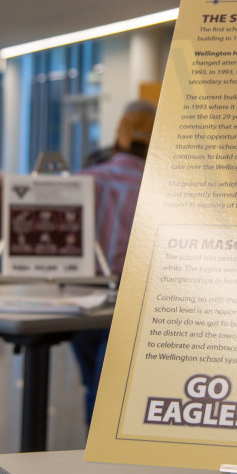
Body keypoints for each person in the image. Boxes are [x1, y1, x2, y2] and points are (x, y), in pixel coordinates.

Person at [71, 102, 155, 425]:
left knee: (91, 382)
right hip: (130, 302)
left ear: (117, 139)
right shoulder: (161, 186)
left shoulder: (83, 180)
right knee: (106, 389)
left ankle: (86, 456)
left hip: (79, 299)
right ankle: (97, 462)